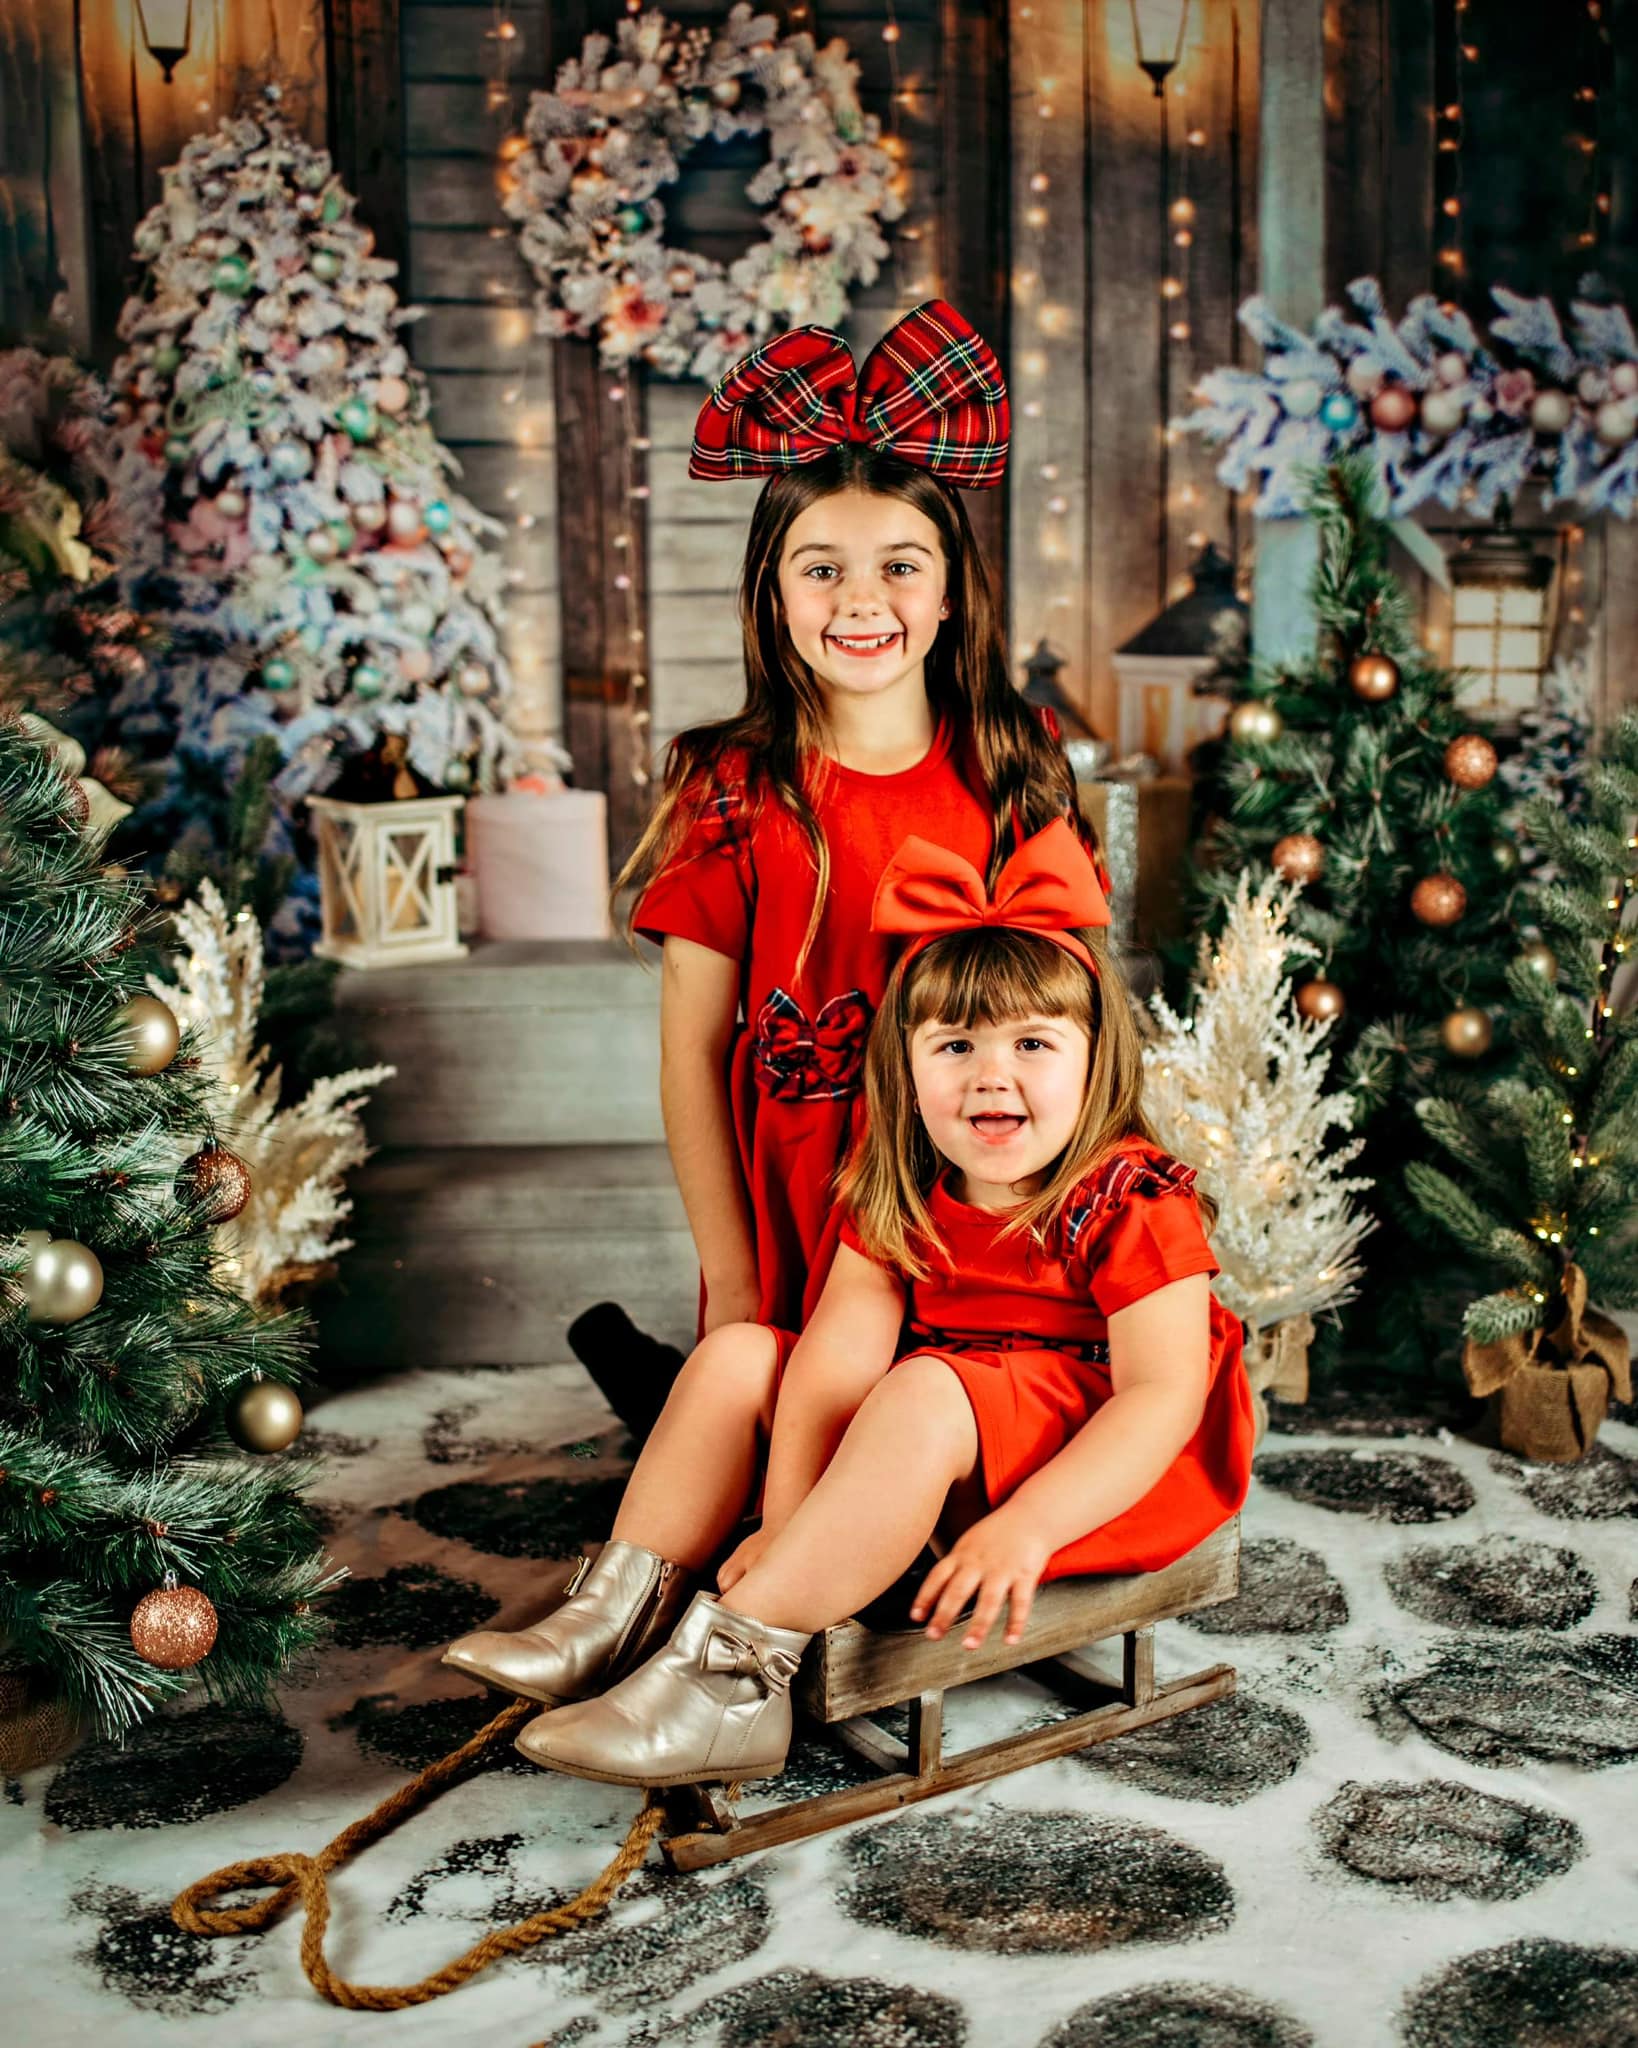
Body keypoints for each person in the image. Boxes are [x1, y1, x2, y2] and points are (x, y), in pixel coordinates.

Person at [445, 821, 1253, 1789]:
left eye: (1032, 1041)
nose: (991, 1073)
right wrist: (783, 1525)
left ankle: (732, 1685)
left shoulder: (1131, 1197)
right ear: (906, 1069)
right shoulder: (902, 1184)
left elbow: (1162, 1396)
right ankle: (619, 1610)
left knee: (923, 1385)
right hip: (938, 1426)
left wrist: (1031, 1523)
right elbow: (834, 1359)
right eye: (954, 1043)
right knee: (745, 1353)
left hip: (1102, 1459)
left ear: (1095, 1058)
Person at [565, 299, 1096, 1443]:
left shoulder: (1018, 762)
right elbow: (693, 1052)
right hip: (803, 1191)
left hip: (976, 1177)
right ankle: (671, 1396)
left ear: (951, 591)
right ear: (772, 593)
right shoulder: (731, 785)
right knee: (773, 1439)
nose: (862, 600)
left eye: (901, 565)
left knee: (938, 1448)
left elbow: (1073, 1006)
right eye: (822, 569)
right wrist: (736, 1287)